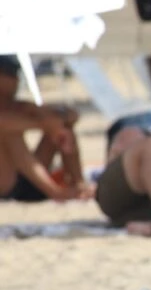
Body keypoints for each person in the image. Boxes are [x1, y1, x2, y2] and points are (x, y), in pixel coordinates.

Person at [0, 56, 91, 202]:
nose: (16, 80)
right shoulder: (14, 112)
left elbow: (71, 114)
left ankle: (78, 184)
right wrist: (44, 124)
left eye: (16, 74)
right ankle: (56, 193)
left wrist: (57, 125)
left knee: (63, 128)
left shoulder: (17, 106)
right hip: (6, 184)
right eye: (10, 73)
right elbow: (4, 123)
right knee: (11, 135)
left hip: (27, 180)